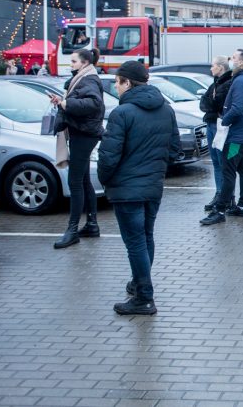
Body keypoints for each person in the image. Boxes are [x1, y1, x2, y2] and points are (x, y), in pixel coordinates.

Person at [97, 60, 181, 315]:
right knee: (145, 238)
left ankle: (144, 296)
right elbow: (175, 150)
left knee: (135, 242)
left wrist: (105, 178)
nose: (116, 88)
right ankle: (138, 284)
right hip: (153, 185)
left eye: (117, 83)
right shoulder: (166, 109)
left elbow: (109, 157)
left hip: (127, 187)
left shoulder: (122, 113)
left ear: (127, 82)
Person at [50, 48, 105, 249]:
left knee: (75, 182)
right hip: (83, 132)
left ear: (84, 63)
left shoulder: (89, 79)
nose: (70, 64)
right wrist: (63, 102)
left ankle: (72, 230)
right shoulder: (85, 77)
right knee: (82, 180)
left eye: (73, 61)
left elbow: (92, 104)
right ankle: (91, 224)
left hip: (84, 134)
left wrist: (65, 103)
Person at [200, 49, 243, 225]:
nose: (231, 60)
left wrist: (223, 121)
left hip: (237, 137)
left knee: (228, 171)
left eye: (234, 58)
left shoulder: (241, 80)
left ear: (241, 62)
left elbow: (237, 107)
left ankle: (219, 210)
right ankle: (241, 207)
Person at [199, 55, 234, 208]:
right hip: (211, 124)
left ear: (220, 67)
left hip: (220, 126)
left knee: (223, 162)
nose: (211, 68)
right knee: (215, 162)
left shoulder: (228, 83)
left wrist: (210, 102)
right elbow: (204, 103)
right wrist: (209, 102)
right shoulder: (215, 83)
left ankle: (226, 196)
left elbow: (215, 103)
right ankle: (219, 193)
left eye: (213, 65)